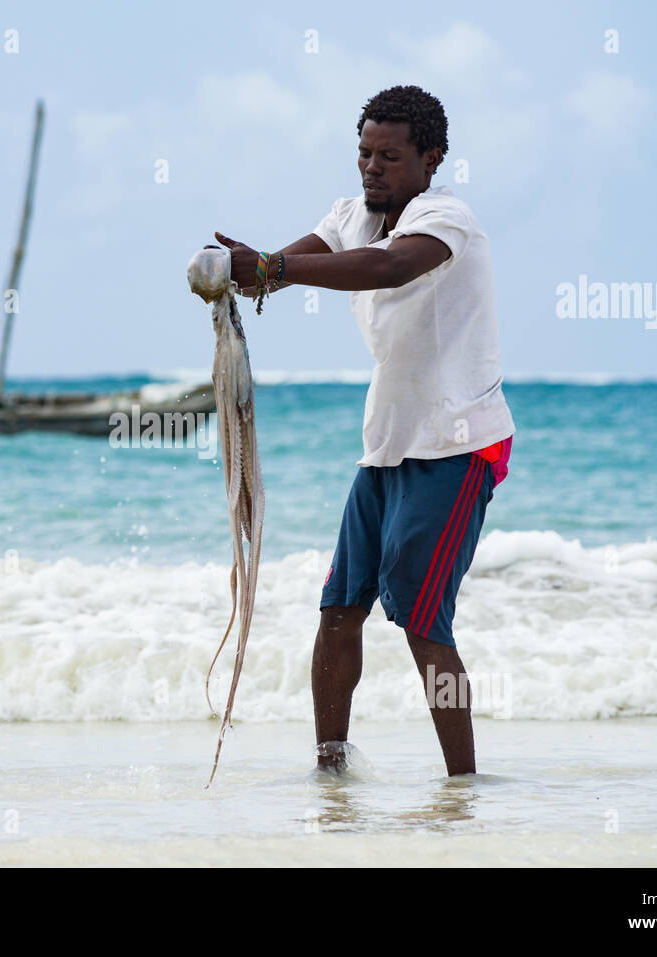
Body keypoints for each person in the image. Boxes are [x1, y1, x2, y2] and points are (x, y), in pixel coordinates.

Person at [214, 84, 514, 776]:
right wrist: (232, 273)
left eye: (390, 155)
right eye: (364, 153)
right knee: (338, 610)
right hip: (385, 447)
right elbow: (276, 272)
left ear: (431, 158)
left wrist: (271, 268)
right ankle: (330, 771)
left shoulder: (448, 217)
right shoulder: (350, 216)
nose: (373, 168)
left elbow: (388, 267)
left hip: (457, 444)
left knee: (418, 616)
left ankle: (462, 784)